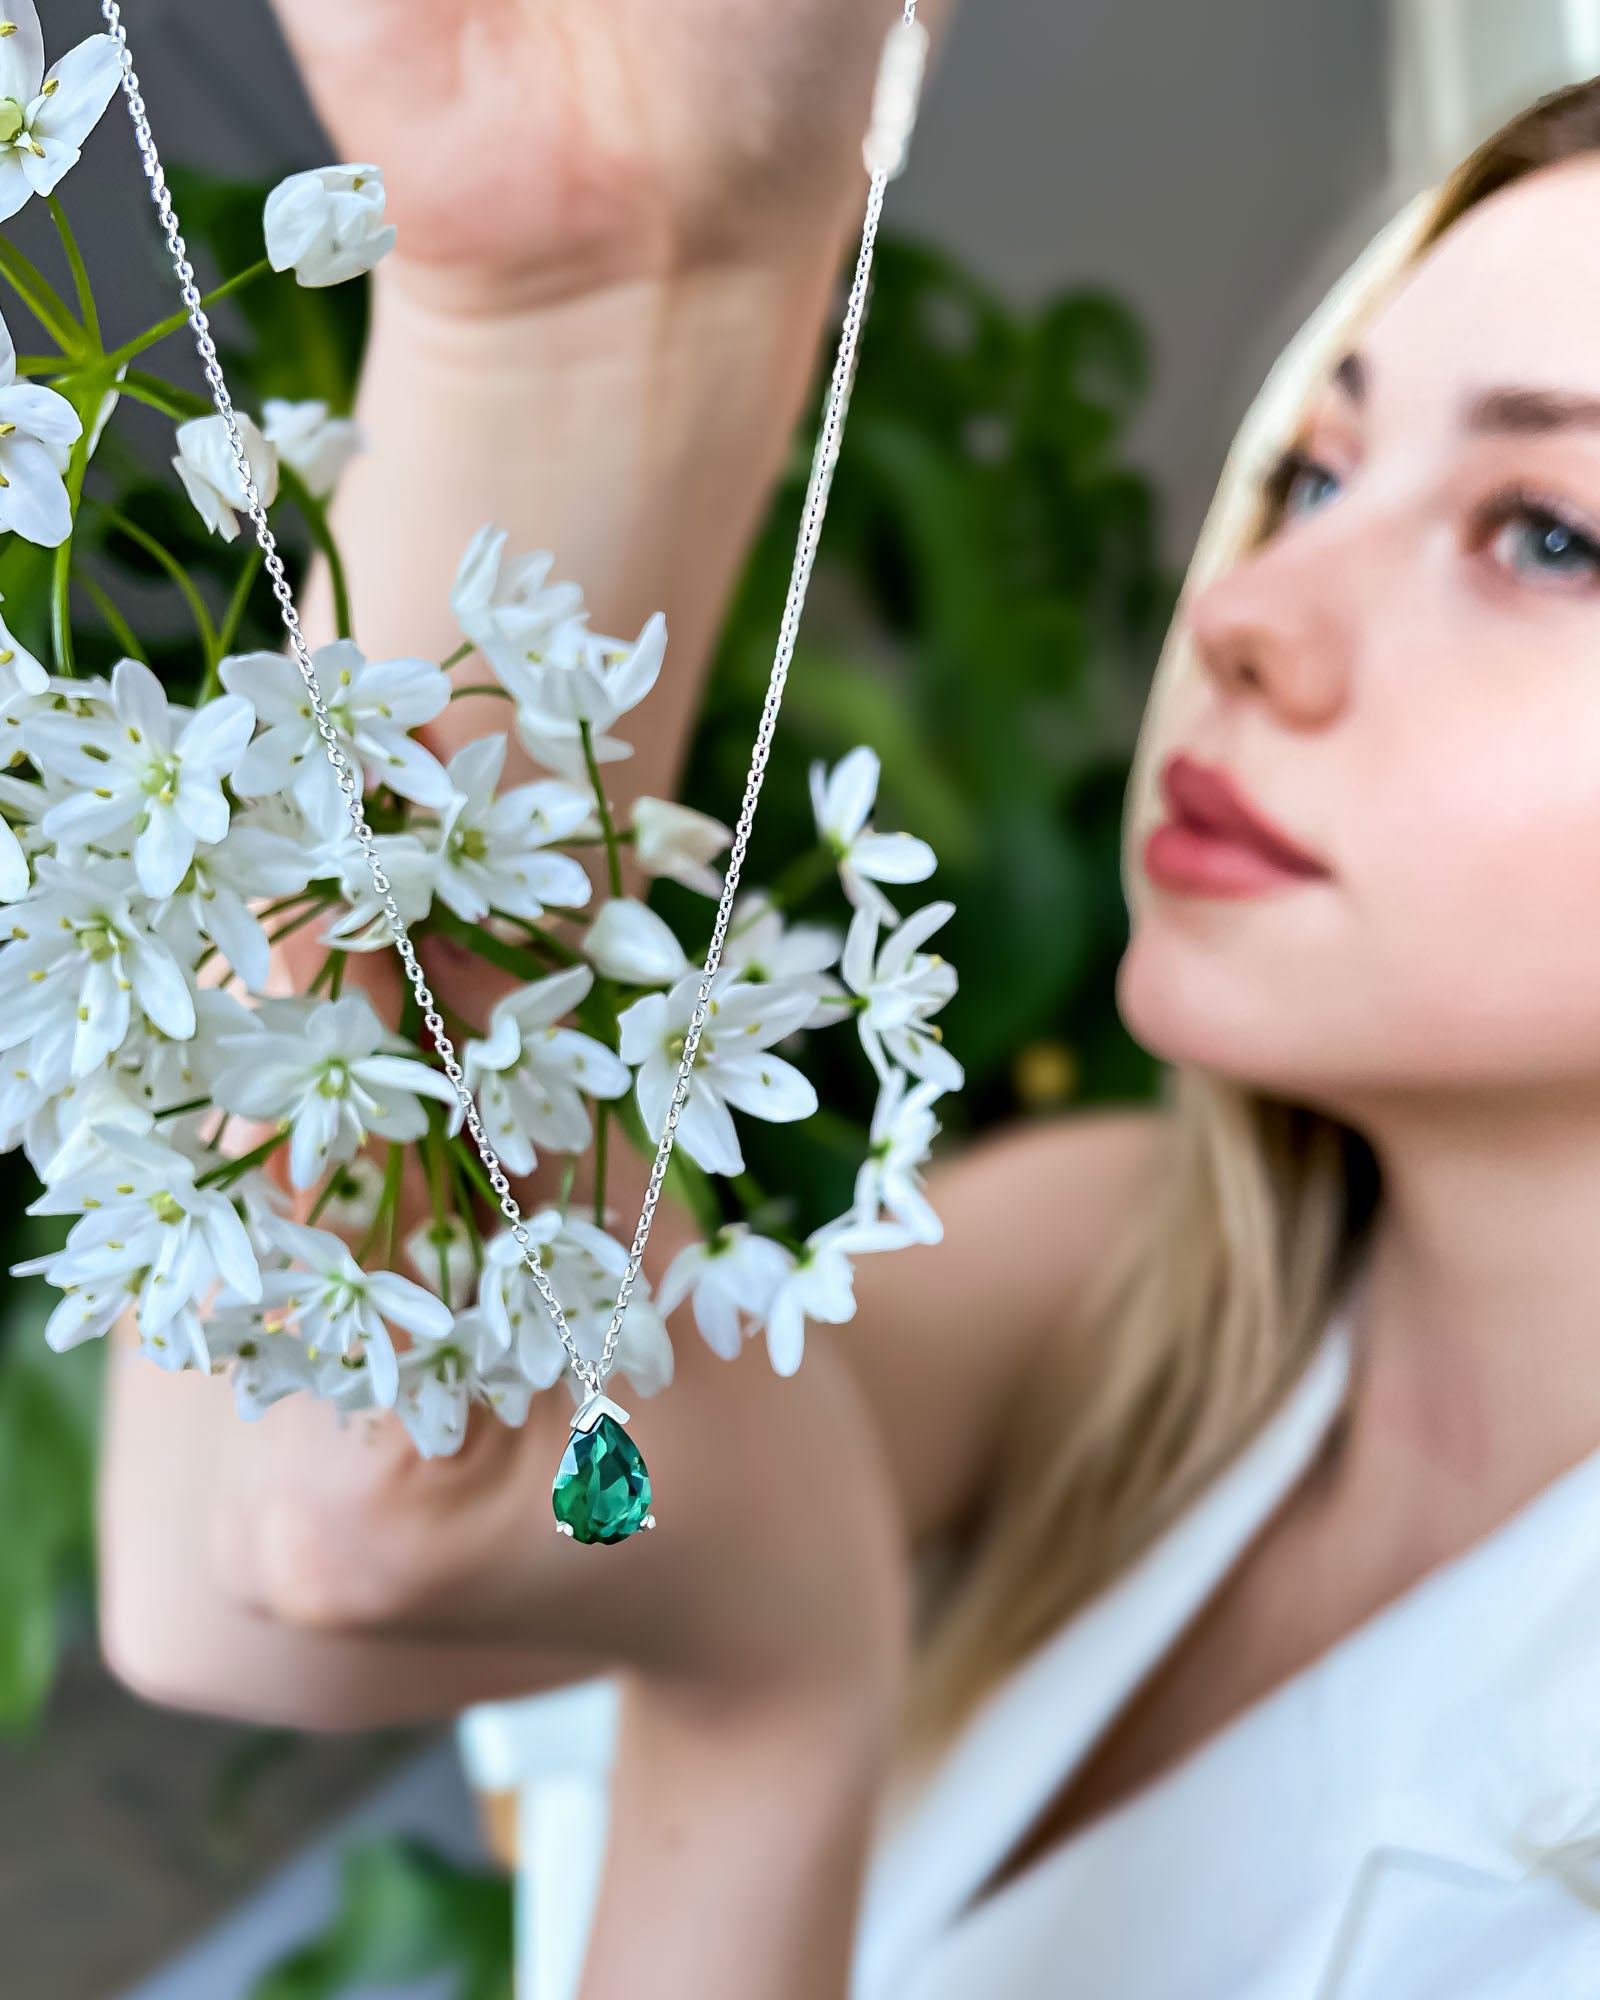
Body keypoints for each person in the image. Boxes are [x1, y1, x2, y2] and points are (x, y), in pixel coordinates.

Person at [95, 1, 1600, 1990]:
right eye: (1314, 476)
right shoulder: (1127, 1280)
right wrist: (563, 308)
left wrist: (775, 1690)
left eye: (1546, 535)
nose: (1240, 617)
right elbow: (279, 1564)